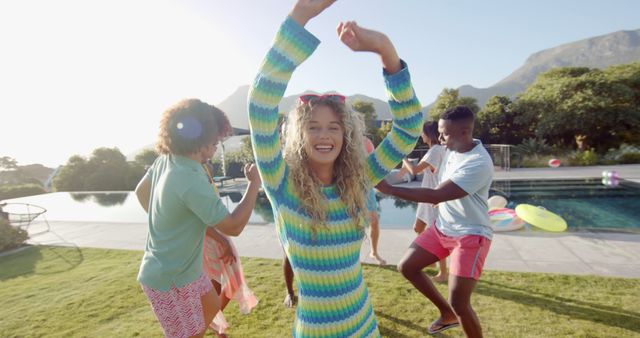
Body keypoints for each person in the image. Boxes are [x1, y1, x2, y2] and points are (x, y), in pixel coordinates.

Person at [248, 0, 424, 336]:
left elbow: (409, 126)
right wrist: (301, 15)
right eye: (313, 126)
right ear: (300, 135)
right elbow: (260, 104)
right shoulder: (281, 183)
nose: (324, 135)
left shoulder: (360, 179)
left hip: (364, 324)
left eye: (333, 127)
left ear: (346, 133)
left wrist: (385, 50)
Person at [134, 98, 262, 338]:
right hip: (169, 280)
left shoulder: (167, 159)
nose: (218, 143)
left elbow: (141, 192)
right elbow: (233, 226)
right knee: (189, 335)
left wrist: (169, 219)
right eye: (216, 137)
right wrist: (254, 184)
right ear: (202, 135)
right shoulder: (191, 177)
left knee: (212, 305)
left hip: (185, 272)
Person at [376, 106, 494, 337]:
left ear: (464, 132)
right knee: (408, 267)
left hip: (470, 235)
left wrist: (389, 189)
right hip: (444, 228)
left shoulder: (478, 163)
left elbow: (436, 195)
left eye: (444, 134)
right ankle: (446, 314)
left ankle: (453, 312)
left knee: (460, 303)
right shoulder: (451, 149)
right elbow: (437, 190)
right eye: (439, 133)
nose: (439, 139)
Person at [202, 142, 259, 337]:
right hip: (211, 239)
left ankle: (215, 325)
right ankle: (213, 325)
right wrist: (223, 241)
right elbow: (199, 220)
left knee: (227, 283)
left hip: (218, 235)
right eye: (213, 141)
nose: (216, 145)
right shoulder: (194, 174)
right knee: (221, 285)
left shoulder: (202, 171)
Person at [401, 121, 448, 282]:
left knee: (437, 235)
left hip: (432, 196)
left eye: (423, 132)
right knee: (418, 227)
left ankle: (443, 273)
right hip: (426, 196)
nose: (421, 135)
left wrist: (404, 159)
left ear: (429, 134)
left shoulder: (435, 151)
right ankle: (431, 261)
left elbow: (414, 170)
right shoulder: (437, 150)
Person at [364, 136, 385, 265]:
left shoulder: (366, 142)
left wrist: (381, 184)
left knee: (374, 221)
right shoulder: (341, 139)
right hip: (346, 187)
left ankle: (374, 252)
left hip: (366, 187)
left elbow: (374, 166)